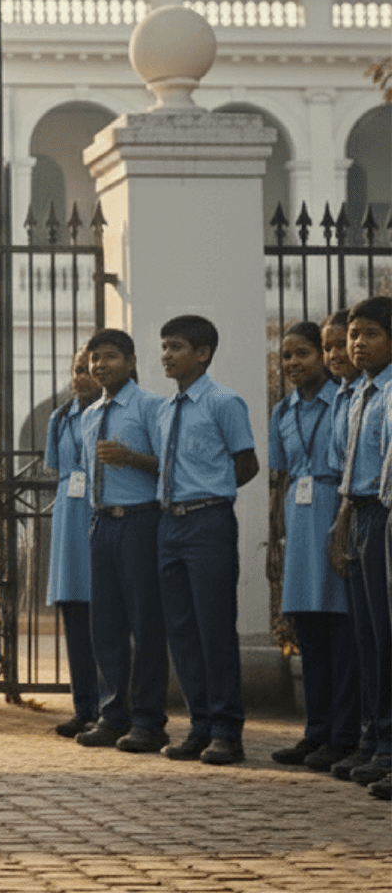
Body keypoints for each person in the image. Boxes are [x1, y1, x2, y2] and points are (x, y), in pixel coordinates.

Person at [150, 315, 259, 765]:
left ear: (203, 353)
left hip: (208, 522)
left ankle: (226, 732)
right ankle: (199, 726)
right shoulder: (164, 409)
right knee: (182, 631)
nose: (167, 356)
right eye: (164, 347)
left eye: (176, 347)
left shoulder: (224, 401)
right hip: (169, 525)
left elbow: (247, 463)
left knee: (214, 628)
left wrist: (213, 492)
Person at [267, 320, 359, 770]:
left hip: (333, 511)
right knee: (309, 632)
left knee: (341, 632)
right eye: (287, 356)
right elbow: (279, 477)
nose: (294, 363)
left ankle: (344, 734)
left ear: (322, 356)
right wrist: (275, 540)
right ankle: (315, 732)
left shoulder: (342, 402)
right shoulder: (282, 413)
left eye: (303, 353)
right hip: (299, 520)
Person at [75, 328, 171, 755]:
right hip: (103, 523)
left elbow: (171, 467)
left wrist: (130, 458)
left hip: (140, 521)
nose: (100, 365)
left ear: (131, 362)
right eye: (95, 358)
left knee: (145, 624)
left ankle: (149, 721)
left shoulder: (152, 406)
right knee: (107, 625)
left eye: (110, 356)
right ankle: (113, 715)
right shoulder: (89, 414)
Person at [337, 297, 392, 789]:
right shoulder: (360, 393)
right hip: (358, 515)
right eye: (354, 334)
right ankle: (374, 740)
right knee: (369, 637)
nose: (357, 343)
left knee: (388, 634)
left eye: (370, 333)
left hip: (384, 514)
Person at [44, 349, 103, 738]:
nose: (80, 376)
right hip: (69, 515)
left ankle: (112, 706)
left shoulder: (109, 413)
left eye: (87, 370)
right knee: (74, 614)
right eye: (76, 370)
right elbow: (56, 465)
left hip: (99, 510)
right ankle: (84, 706)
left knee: (106, 616)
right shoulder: (60, 417)